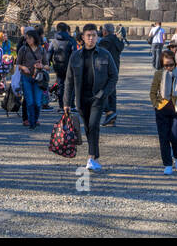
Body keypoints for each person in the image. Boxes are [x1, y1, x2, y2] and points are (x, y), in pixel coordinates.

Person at [61, 23, 118, 172]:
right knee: (87, 127)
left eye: (93, 35)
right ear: (83, 37)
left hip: (98, 98)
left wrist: (104, 94)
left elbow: (114, 76)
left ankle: (91, 157)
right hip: (81, 99)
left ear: (97, 37)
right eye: (88, 36)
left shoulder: (105, 54)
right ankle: (95, 154)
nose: (91, 38)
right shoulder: (75, 56)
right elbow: (69, 80)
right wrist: (66, 102)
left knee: (93, 125)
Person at [151, 46, 177, 174]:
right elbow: (152, 92)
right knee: (163, 138)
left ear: (175, 62)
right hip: (162, 109)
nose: (169, 67)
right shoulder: (158, 74)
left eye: (171, 64)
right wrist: (156, 105)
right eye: (166, 65)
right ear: (162, 64)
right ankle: (167, 164)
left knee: (176, 136)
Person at [16, 28, 48, 129]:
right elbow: (17, 64)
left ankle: (35, 118)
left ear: (34, 38)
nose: (27, 40)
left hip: (38, 79)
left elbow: (48, 66)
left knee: (38, 102)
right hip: (26, 78)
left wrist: (41, 66)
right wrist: (23, 67)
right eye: (26, 38)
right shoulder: (23, 49)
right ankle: (31, 122)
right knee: (29, 101)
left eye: (29, 38)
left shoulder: (42, 50)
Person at [97, 23, 124, 126]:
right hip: (115, 68)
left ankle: (109, 112)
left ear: (105, 31)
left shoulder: (105, 41)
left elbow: (100, 54)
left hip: (105, 70)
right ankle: (111, 117)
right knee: (112, 93)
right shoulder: (117, 40)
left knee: (100, 92)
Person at [48, 22, 76, 105]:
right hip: (69, 66)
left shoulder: (53, 41)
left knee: (60, 85)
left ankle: (61, 104)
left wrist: (48, 63)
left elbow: (49, 53)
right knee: (70, 85)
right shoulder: (71, 40)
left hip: (58, 66)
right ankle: (70, 104)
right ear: (66, 29)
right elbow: (75, 53)